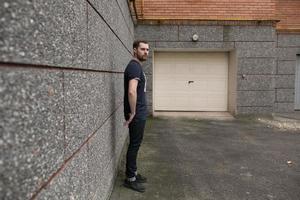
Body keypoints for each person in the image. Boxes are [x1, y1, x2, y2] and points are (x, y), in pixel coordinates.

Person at [123, 40, 149, 193]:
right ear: (134, 50)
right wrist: (133, 113)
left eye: (147, 49)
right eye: (142, 49)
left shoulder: (136, 66)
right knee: (134, 145)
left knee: (136, 144)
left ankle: (133, 172)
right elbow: (132, 91)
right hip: (137, 114)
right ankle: (130, 179)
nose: (146, 52)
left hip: (139, 113)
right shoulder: (134, 66)